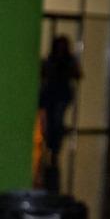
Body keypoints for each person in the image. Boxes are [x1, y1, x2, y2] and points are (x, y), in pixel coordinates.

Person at [37, 34, 81, 192]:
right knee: (49, 122)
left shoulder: (68, 61)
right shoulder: (51, 60)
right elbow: (43, 73)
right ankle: (49, 146)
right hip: (51, 94)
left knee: (56, 120)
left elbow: (77, 74)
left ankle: (54, 150)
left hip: (60, 94)